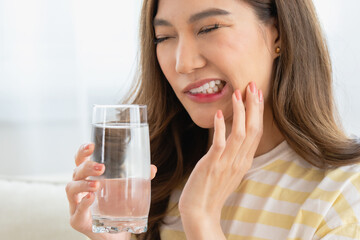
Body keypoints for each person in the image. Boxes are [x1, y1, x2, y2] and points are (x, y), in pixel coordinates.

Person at [66, 0, 360, 239]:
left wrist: (202, 219)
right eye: (164, 37)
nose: (183, 62)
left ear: (278, 33)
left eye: (208, 28)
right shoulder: (151, 181)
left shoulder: (345, 192)